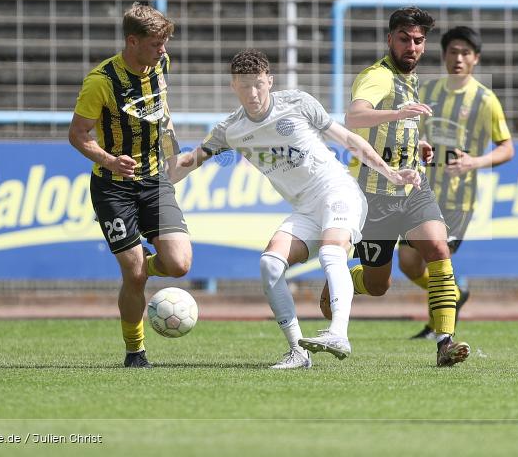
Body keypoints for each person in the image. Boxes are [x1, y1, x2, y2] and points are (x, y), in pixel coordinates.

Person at [170, 50, 420, 369]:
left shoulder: (297, 103)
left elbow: (348, 140)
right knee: (270, 264)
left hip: (338, 191)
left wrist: (392, 174)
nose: (254, 93)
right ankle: (297, 352)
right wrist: (150, 181)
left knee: (332, 253)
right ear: (233, 85)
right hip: (305, 209)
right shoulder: (230, 129)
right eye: (245, 86)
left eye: (259, 84)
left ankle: (338, 333)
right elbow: (191, 161)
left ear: (270, 81)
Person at [322, 6, 472, 367]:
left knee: (438, 247)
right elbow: (354, 117)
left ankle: (444, 344)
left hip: (412, 188)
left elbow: (394, 125)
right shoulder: (378, 77)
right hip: (374, 197)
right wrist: (398, 115)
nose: (412, 47)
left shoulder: (409, 78)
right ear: (390, 39)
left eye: (418, 41)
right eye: (404, 39)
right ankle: (343, 280)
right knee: (378, 286)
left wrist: (414, 142)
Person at [68, 2, 192, 369]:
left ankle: (140, 270)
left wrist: (173, 150)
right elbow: (77, 134)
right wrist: (109, 160)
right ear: (132, 42)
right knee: (133, 274)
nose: (163, 51)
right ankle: (135, 352)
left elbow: (162, 115)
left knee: (179, 264)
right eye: (156, 44)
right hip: (113, 186)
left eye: (165, 44)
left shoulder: (161, 66)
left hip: (154, 181)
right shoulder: (101, 82)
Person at [399, 26, 514, 340]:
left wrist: (474, 162)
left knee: (437, 258)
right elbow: (413, 130)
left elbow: (507, 147)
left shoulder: (485, 99)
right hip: (421, 193)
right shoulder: (429, 92)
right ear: (445, 55)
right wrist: (420, 142)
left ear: (475, 59)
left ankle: (443, 333)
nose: (458, 58)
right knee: (408, 263)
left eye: (465, 53)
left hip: (457, 199)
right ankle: (453, 294)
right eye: (453, 51)